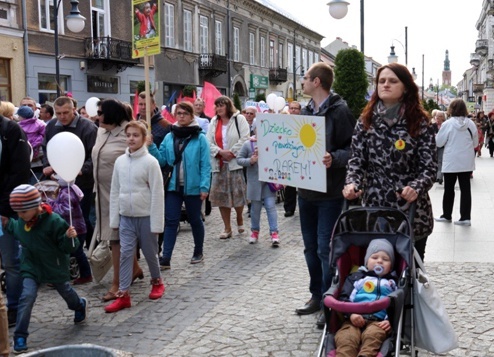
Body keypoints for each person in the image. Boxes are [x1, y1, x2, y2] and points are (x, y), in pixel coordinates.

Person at [343, 63, 436, 262]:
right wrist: (352, 183)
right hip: (375, 211)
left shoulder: (419, 122)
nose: (385, 85)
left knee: (410, 272)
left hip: (411, 211)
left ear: (405, 88)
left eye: (393, 81)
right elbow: (356, 161)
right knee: (375, 268)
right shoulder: (366, 120)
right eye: (382, 81)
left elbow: (429, 168)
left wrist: (415, 187)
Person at [294, 62, 356, 329]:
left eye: (306, 78)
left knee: (324, 248)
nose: (303, 82)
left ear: (317, 82)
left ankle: (330, 300)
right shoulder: (306, 110)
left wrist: (336, 157)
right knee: (309, 247)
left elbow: (353, 149)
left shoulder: (340, 111)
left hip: (330, 191)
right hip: (305, 190)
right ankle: (316, 295)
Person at [0, 184, 87, 354]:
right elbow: (13, 226)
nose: (20, 216)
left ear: (35, 207)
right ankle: (20, 335)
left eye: (22, 212)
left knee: (66, 291)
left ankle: (79, 305)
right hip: (31, 267)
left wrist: (69, 238)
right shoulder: (22, 222)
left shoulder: (54, 221)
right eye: (17, 213)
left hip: (53, 265)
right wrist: (5, 221)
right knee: (27, 296)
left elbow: (68, 247)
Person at [105, 121, 165, 313]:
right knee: (125, 255)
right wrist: (115, 218)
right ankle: (123, 294)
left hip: (145, 215)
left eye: (136, 135)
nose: (131, 138)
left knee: (149, 253)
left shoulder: (151, 163)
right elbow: (115, 190)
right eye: (128, 135)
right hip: (126, 217)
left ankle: (157, 281)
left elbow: (157, 193)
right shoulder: (120, 162)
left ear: (145, 138)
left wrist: (156, 223)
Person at [148, 102, 211, 268]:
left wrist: (204, 187)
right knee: (171, 221)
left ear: (191, 116)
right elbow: (162, 160)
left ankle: (198, 251)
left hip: (193, 186)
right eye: (179, 113)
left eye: (185, 113)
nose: (181, 116)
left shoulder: (200, 138)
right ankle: (166, 257)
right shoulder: (170, 137)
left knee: (195, 219)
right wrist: (151, 146)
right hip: (173, 186)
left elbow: (205, 164)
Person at [91, 98, 143, 302]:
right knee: (111, 236)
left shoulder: (127, 133)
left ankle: (118, 283)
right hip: (102, 193)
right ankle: (135, 269)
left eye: (101, 112)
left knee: (116, 239)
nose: (98, 116)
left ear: (112, 114)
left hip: (121, 194)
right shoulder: (101, 131)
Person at [42, 96, 98, 264]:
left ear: (74, 109)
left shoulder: (88, 127)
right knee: (60, 218)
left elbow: (94, 155)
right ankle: (68, 253)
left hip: (82, 183)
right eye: (58, 113)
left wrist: (81, 170)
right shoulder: (51, 126)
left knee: (82, 218)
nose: (62, 116)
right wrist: (47, 165)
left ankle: (82, 253)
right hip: (57, 182)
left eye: (66, 112)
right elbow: (47, 148)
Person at [334, 239, 397, 357]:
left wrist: (389, 320)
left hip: (378, 322)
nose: (379, 261)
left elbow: (396, 303)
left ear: (391, 266)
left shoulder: (392, 283)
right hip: (354, 319)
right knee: (346, 338)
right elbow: (344, 297)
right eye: (374, 257)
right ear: (366, 262)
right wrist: (351, 314)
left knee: (373, 337)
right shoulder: (357, 278)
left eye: (385, 259)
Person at [0, 110, 31, 328]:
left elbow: (20, 171)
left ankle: (14, 308)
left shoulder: (10, 129)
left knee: (11, 261)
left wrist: (4, 207)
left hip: (5, 209)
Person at [206, 96, 250, 239]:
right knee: (221, 197)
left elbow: (245, 138)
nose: (219, 109)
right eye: (216, 106)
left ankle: (239, 217)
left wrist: (231, 152)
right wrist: (220, 152)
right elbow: (208, 142)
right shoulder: (214, 122)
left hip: (235, 163)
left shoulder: (239, 119)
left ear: (228, 106)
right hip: (219, 164)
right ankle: (227, 227)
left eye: (221, 106)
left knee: (237, 195)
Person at [435, 98, 478, 226]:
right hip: (466, 162)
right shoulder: (471, 124)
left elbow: (439, 142)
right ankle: (465, 218)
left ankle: (446, 215)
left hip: (451, 162)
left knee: (449, 189)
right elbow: (475, 143)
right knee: (465, 189)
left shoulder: (447, 124)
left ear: (451, 109)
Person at [237, 121, 280, 246]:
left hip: (268, 182)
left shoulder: (272, 142)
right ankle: (255, 231)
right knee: (255, 209)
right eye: (258, 128)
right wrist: (251, 160)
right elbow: (239, 159)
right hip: (255, 182)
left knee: (271, 207)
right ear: (254, 130)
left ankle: (274, 232)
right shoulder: (247, 144)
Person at [47, 177, 93, 284]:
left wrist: (52, 205)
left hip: (75, 229)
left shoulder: (66, 192)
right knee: (74, 252)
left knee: (77, 252)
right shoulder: (70, 189)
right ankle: (74, 274)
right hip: (77, 228)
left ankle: (85, 274)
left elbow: (66, 210)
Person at [17, 106, 46, 184]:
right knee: (36, 184)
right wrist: (37, 141)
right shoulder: (40, 123)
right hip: (36, 158)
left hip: (26, 160)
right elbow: (44, 136)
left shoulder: (17, 125)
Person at [283, 101, 302, 217]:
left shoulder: (305, 121)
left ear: (300, 110)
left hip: (302, 155)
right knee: (289, 184)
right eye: (292, 108)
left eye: (296, 108)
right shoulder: (284, 123)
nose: (294, 110)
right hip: (289, 155)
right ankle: (289, 208)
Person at [432, 110, 446, 184]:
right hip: (433, 146)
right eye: (437, 116)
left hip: (442, 146)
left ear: (443, 117)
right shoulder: (432, 125)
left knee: (440, 161)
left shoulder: (445, 125)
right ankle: (435, 176)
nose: (438, 118)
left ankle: (439, 177)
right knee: (434, 161)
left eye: (440, 116)